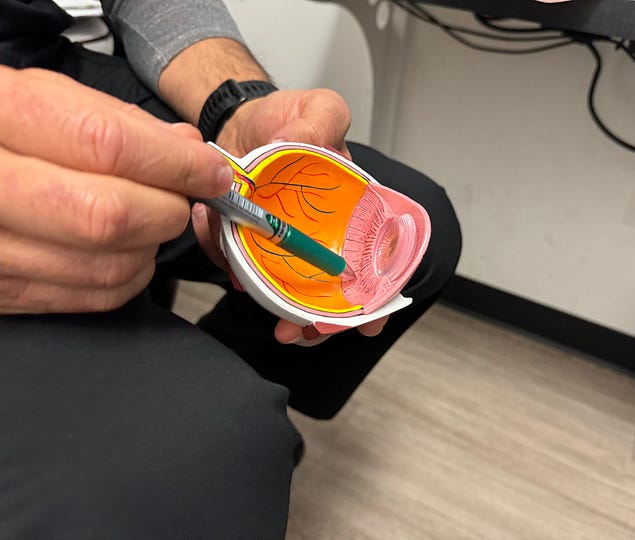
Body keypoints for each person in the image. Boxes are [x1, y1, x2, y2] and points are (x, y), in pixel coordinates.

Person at [0, 1, 462, 538]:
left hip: (56, 63)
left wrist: (236, 106)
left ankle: (238, 373)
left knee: (423, 246)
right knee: (213, 458)